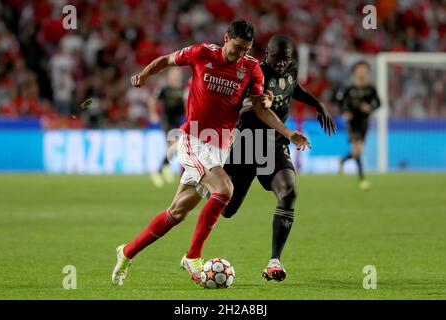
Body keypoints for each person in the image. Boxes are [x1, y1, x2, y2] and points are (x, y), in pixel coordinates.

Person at [111, 20, 310, 286]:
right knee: (225, 189)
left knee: (177, 212)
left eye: (246, 49)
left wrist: (288, 132)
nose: (240, 54)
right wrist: (145, 75)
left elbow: (261, 109)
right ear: (226, 37)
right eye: (237, 47)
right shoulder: (203, 53)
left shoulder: (251, 69)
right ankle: (193, 256)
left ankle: (126, 253)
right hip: (194, 140)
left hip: (220, 147)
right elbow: (168, 60)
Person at [221, 35, 337, 281]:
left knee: (289, 193)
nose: (282, 64)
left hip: (274, 143)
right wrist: (256, 104)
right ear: (267, 55)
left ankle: (274, 261)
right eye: (277, 58)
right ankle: (207, 181)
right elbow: (237, 106)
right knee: (228, 209)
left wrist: (318, 104)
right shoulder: (254, 73)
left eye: (286, 59)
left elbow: (294, 88)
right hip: (246, 144)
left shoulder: (291, 69)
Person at [336, 61, 380, 191]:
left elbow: (378, 103)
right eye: (360, 70)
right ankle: (362, 179)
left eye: (364, 70)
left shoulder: (371, 89)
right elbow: (339, 100)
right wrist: (344, 112)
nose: (362, 72)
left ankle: (343, 160)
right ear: (355, 72)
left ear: (368, 72)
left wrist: (370, 107)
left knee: (357, 150)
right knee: (358, 149)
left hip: (364, 122)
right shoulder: (348, 88)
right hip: (352, 122)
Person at [150, 68, 186, 187]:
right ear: (169, 76)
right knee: (174, 145)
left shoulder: (183, 90)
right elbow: (152, 100)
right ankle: (162, 169)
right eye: (174, 74)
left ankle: (162, 169)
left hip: (178, 122)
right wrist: (154, 113)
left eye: (178, 74)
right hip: (167, 121)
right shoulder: (164, 89)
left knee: (174, 147)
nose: (176, 76)